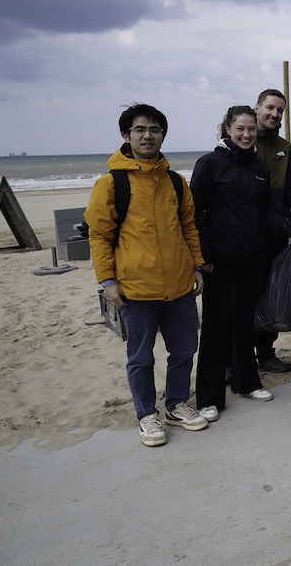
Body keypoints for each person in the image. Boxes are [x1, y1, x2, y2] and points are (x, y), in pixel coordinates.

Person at [85, 103, 208, 446]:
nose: (148, 135)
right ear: (126, 135)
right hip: (135, 289)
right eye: (140, 129)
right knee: (140, 357)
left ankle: (176, 405)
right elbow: (99, 235)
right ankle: (146, 415)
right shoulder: (111, 184)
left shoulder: (175, 181)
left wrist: (196, 266)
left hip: (180, 285)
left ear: (163, 135)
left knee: (184, 350)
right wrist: (107, 281)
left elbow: (188, 227)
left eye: (155, 130)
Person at [191, 106, 291, 420]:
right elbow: (195, 215)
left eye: (250, 130)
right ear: (227, 129)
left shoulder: (258, 167)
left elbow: (266, 213)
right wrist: (203, 257)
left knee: (246, 322)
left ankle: (247, 382)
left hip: (253, 258)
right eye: (240, 129)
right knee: (216, 327)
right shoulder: (209, 164)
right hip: (220, 261)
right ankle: (208, 397)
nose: (246, 135)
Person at [252, 88, 291, 373]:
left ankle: (266, 353)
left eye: (280, 110)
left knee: (271, 297)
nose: (275, 114)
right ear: (257, 107)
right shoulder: (242, 140)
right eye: (270, 108)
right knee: (243, 298)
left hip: (275, 234)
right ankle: (233, 358)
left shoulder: (286, 147)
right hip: (245, 236)